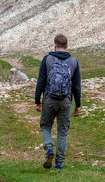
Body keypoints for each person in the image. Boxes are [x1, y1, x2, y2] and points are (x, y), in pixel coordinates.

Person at [34, 34, 81, 170]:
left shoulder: (47, 59)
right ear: (67, 46)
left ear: (55, 45)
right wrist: (78, 104)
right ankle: (59, 164)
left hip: (49, 100)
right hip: (65, 102)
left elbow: (41, 81)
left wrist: (37, 100)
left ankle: (49, 148)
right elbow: (76, 85)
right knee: (62, 131)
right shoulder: (73, 62)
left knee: (45, 126)